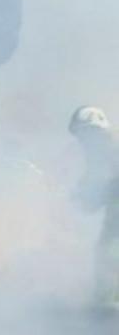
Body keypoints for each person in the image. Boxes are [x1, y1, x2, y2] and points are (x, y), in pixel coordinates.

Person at [69, 105, 119, 308]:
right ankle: (105, 302)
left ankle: (109, 305)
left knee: (110, 251)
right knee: (105, 250)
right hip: (114, 215)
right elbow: (93, 184)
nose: (82, 141)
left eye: (85, 134)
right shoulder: (97, 154)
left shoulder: (113, 147)